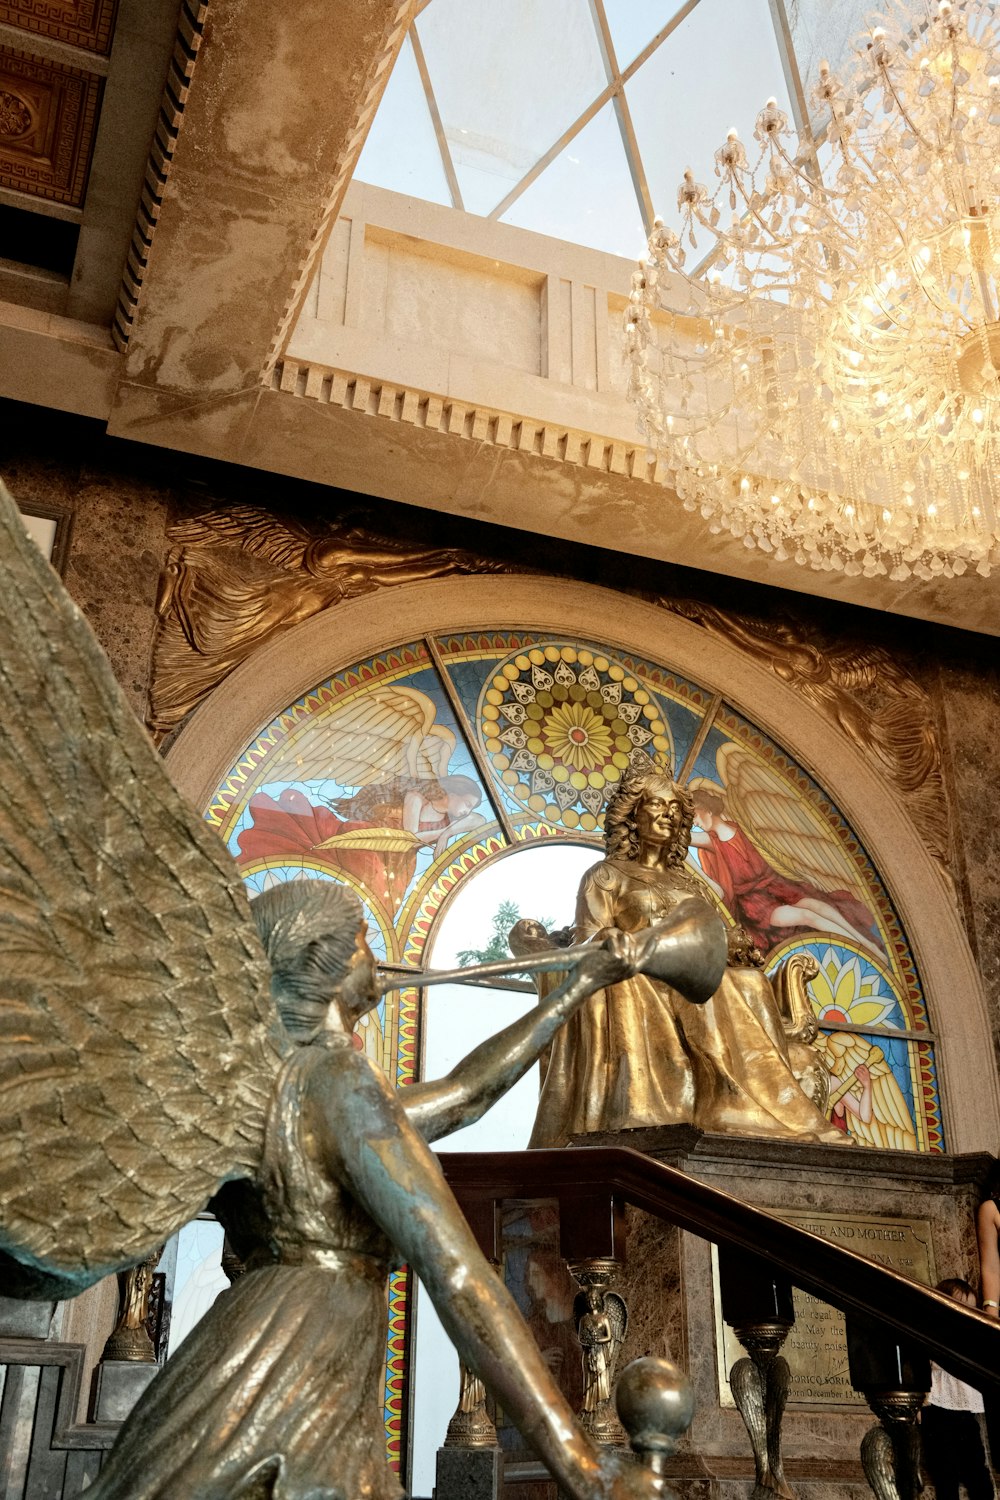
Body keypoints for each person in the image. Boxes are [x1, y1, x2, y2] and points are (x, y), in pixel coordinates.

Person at [87, 879, 670, 1500]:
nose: (376, 956)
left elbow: (466, 1093)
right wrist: (580, 1463)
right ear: (325, 962)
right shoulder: (338, 1077)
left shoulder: (285, 1085)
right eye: (364, 939)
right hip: (300, 1350)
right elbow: (458, 1273)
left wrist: (576, 988)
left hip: (255, 1341)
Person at [529, 765, 845, 1148]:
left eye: (674, 809)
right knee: (679, 986)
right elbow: (588, 940)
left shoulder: (688, 882)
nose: (667, 815)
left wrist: (731, 941)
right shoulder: (606, 876)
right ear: (634, 814)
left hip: (692, 973)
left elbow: (708, 934)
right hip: (640, 974)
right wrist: (616, 939)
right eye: (655, 805)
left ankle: (741, 1100)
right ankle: (717, 1100)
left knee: (749, 981)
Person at [237, 774, 484, 916]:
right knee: (370, 894)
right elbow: (409, 837)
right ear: (453, 792)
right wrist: (444, 833)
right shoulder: (416, 798)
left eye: (469, 808)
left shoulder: (447, 821)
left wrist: (447, 832)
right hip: (371, 844)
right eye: (467, 804)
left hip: (399, 865)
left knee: (382, 911)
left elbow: (480, 820)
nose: (467, 811)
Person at [688, 783, 884, 959]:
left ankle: (866, 943)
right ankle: (861, 951)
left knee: (815, 904)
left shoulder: (739, 827)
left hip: (777, 885)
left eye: (694, 815)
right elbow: (680, 839)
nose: (694, 823)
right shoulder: (710, 841)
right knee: (806, 916)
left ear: (705, 809)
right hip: (756, 904)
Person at [920, 1278, 995, 1500]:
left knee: (977, 1468)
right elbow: (925, 1368)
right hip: (938, 1408)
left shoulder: (970, 1337)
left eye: (970, 1309)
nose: (965, 1313)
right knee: (946, 1469)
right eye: (960, 1306)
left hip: (965, 1413)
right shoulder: (934, 1333)